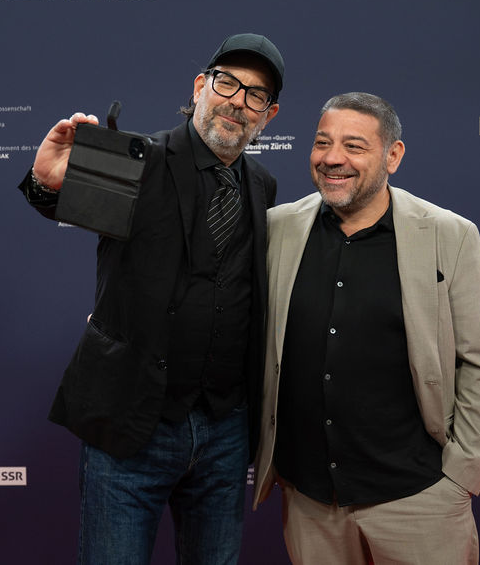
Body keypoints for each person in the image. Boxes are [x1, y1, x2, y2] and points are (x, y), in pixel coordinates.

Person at [19, 33, 284, 564]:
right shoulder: (140, 158)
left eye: (255, 94)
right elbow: (63, 200)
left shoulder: (263, 185)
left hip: (225, 432)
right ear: (200, 87)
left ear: (268, 115)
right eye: (227, 83)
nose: (237, 101)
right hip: (132, 423)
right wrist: (46, 184)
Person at [253, 92, 480, 564]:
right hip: (310, 502)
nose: (332, 158)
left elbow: (479, 362)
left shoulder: (449, 235)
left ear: (393, 155)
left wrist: (461, 474)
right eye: (322, 142)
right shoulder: (277, 229)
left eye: (354, 146)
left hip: (419, 497)